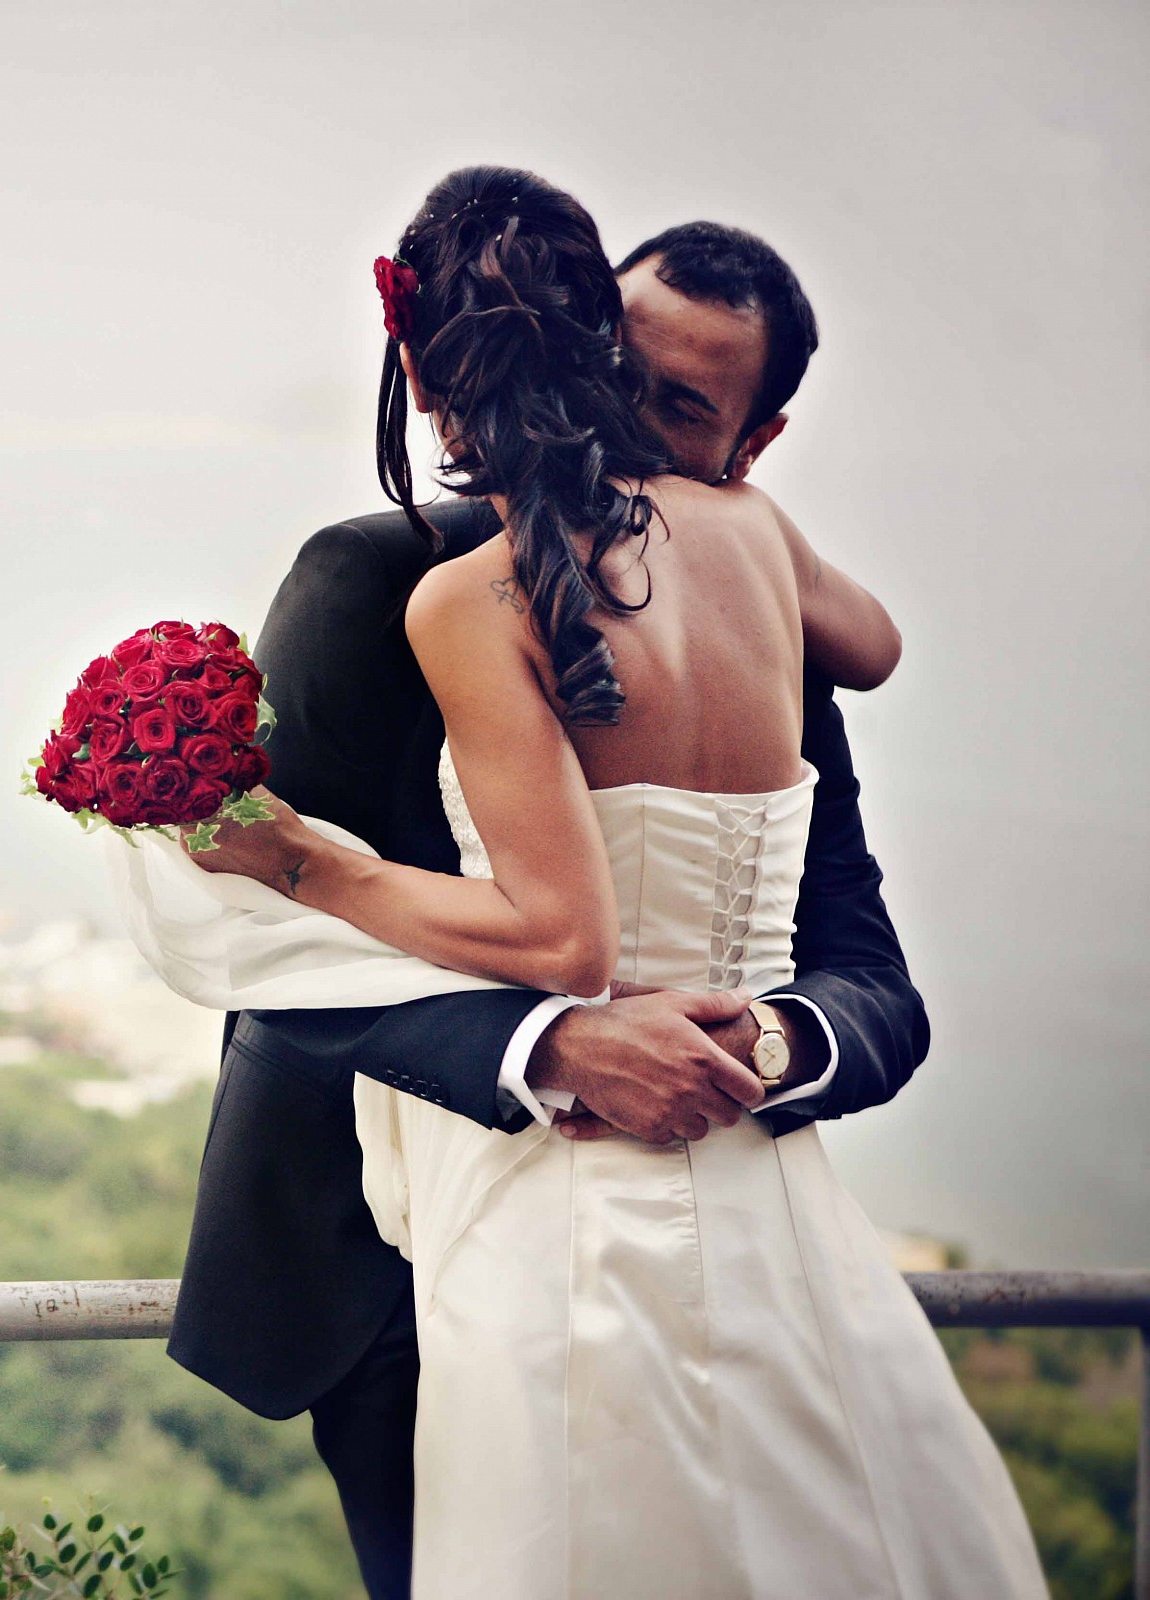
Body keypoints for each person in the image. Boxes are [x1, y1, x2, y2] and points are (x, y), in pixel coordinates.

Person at [164, 170, 1042, 1597]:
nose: (630, 419)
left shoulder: (703, 573)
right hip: (399, 1261)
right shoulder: (380, 580)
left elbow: (865, 969)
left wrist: (767, 1040)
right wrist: (551, 1047)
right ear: (580, 338)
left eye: (683, 409)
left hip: (700, 1196)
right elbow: (276, 963)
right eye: (616, 371)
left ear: (755, 442)